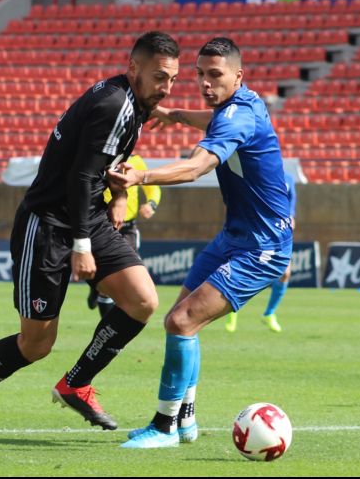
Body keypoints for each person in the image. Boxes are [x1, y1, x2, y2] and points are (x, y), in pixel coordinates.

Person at [0, 32, 180, 447]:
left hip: (89, 215)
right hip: (49, 226)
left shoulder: (134, 103)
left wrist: (119, 196)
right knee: (36, 344)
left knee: (142, 300)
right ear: (133, 69)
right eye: (160, 77)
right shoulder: (115, 105)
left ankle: (76, 383)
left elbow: (105, 162)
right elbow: (81, 175)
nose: (167, 88)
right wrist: (82, 244)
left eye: (172, 79)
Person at [107, 37, 293, 449]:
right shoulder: (243, 105)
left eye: (215, 75)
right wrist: (173, 114)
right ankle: (185, 419)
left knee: (181, 321)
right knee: (180, 321)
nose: (205, 83)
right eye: (200, 75)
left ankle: (164, 427)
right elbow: (213, 119)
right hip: (234, 237)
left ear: (237, 76)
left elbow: (195, 168)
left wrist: (141, 176)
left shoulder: (237, 118)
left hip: (261, 248)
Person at [87, 154, 162, 318]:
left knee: (127, 275)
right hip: (104, 224)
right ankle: (99, 290)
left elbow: (153, 188)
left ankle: (100, 292)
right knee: (107, 274)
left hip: (127, 228)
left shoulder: (136, 161)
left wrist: (151, 204)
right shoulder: (104, 159)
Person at [226, 171, 296, 333]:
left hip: (279, 234)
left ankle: (269, 313)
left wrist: (292, 218)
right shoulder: (258, 174)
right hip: (255, 230)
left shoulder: (288, 179)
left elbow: (292, 203)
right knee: (243, 271)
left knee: (285, 274)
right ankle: (232, 310)